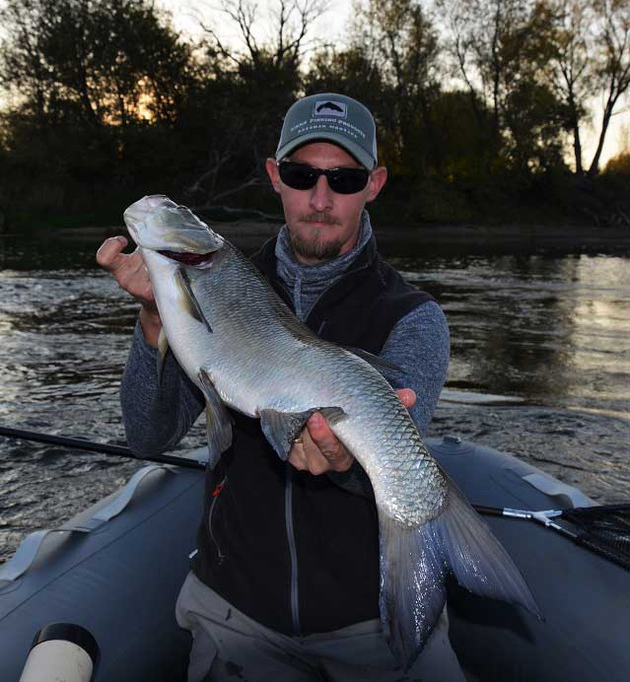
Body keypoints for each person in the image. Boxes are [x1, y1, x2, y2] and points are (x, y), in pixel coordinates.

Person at [96, 93, 462, 681]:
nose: (321, 199)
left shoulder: (414, 318)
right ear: (274, 177)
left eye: (343, 179)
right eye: (301, 175)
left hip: (369, 622)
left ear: (375, 184)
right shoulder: (217, 284)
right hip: (235, 614)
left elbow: (399, 439)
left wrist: (344, 461)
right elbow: (147, 434)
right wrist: (155, 320)